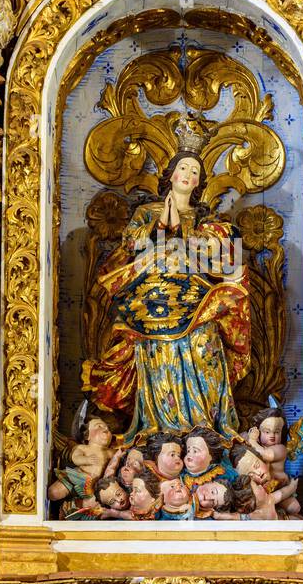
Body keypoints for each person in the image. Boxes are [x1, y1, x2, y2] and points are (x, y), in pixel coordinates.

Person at [82, 144, 250, 438]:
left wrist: (186, 234)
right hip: (154, 306)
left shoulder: (205, 220)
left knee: (204, 349)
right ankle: (163, 432)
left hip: (196, 303)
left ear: (199, 182)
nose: (188, 174)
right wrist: (161, 226)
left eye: (195, 171)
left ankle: (208, 431)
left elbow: (222, 256)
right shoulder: (147, 212)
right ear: (171, 175)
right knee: (162, 359)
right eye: (183, 168)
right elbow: (131, 246)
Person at [48, 413, 119, 504]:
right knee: (54, 492)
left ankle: (73, 506)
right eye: (99, 426)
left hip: (93, 487)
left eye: (108, 428)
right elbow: (75, 457)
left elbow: (121, 457)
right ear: (87, 435)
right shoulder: (83, 448)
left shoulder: (110, 452)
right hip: (77, 477)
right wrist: (86, 460)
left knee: (90, 504)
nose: (105, 429)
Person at [243, 406, 300, 515]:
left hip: (279, 486)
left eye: (277, 432)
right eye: (267, 432)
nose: (272, 436)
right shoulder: (256, 445)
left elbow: (265, 455)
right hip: (262, 488)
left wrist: (252, 440)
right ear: (258, 431)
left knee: (294, 507)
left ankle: (279, 514)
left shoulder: (280, 449)